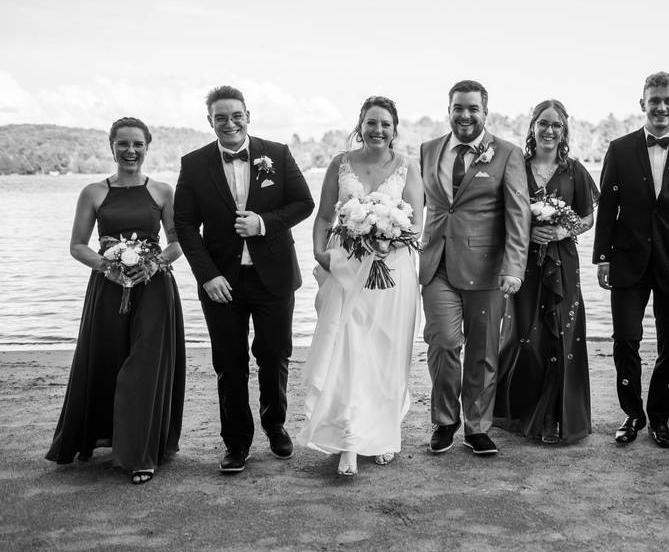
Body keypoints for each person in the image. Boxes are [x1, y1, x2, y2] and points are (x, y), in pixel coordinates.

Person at [174, 85, 314, 473]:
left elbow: (304, 204)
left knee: (274, 356)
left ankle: (275, 425)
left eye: (236, 115)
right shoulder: (194, 163)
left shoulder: (278, 154)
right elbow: (184, 224)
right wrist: (207, 276)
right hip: (222, 283)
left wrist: (264, 223)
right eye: (221, 117)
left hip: (274, 278)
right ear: (210, 121)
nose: (230, 123)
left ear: (248, 116)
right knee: (229, 362)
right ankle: (236, 442)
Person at [46, 117, 186, 485]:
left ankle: (141, 455)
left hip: (154, 289)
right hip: (108, 289)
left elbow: (176, 242)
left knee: (143, 368)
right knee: (106, 360)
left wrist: (153, 264)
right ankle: (104, 436)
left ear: (147, 147)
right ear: (111, 147)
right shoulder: (93, 192)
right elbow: (77, 245)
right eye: (122, 144)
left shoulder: (162, 191)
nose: (130, 151)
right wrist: (106, 266)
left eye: (137, 144)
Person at [296, 96, 423, 476]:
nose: (378, 129)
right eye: (371, 122)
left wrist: (387, 239)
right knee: (347, 352)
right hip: (346, 271)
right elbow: (323, 217)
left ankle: (382, 434)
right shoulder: (340, 163)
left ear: (394, 129)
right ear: (360, 124)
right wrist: (321, 254)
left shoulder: (407, 167)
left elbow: (417, 226)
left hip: (392, 272)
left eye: (385, 123)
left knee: (384, 353)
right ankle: (350, 442)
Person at [593, 71, 669, 449]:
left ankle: (660, 417)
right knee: (626, 340)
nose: (661, 107)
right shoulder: (619, 148)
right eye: (654, 100)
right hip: (627, 261)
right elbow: (608, 206)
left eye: (668, 100)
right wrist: (602, 257)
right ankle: (632, 414)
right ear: (642, 103)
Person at [420, 80, 531, 457]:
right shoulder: (428, 150)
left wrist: (514, 266)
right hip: (435, 264)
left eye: (472, 109)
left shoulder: (507, 154)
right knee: (444, 343)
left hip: (487, 269)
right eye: (458, 108)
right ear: (448, 109)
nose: (465, 115)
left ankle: (478, 427)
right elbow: (419, 205)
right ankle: (445, 420)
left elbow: (519, 216)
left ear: (486, 112)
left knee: (483, 350)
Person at [494, 100, 598, 444]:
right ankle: (521, 409)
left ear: (564, 130)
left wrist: (561, 231)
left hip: (562, 261)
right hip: (522, 261)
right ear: (533, 127)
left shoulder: (575, 170)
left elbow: (587, 217)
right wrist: (527, 231)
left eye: (556, 125)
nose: (550, 130)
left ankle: (555, 415)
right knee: (523, 332)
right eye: (543, 123)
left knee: (560, 334)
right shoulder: (515, 167)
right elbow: (502, 213)